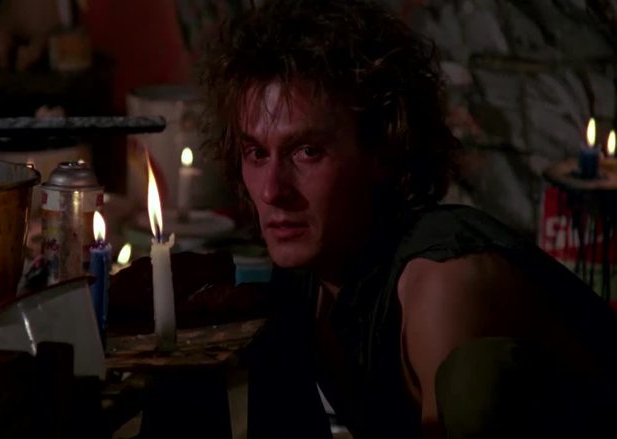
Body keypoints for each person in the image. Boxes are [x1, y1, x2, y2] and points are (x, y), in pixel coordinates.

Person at [199, 0, 617, 437]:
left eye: (307, 152)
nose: (271, 191)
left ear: (382, 149)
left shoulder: (443, 283)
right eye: (256, 153)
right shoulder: (308, 280)